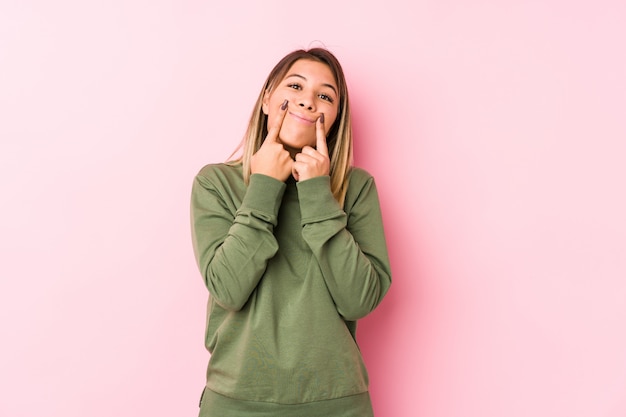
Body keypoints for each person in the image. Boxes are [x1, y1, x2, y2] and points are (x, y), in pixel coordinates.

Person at [190, 47, 392, 417]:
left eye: (325, 95)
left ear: (334, 117)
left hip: (337, 405)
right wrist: (264, 184)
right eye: (295, 85)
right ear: (268, 98)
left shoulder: (356, 188)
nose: (308, 101)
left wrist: (318, 194)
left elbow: (359, 300)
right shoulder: (216, 182)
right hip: (236, 403)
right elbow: (227, 289)